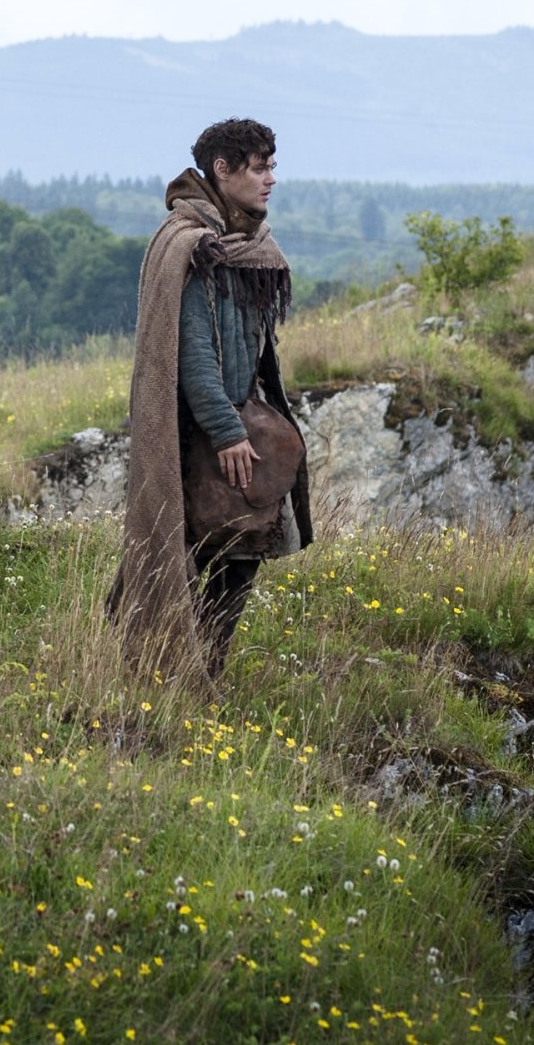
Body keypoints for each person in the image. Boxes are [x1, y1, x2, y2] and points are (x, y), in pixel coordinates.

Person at [109, 117, 310, 680]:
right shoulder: (193, 246)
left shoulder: (245, 243)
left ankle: (196, 673)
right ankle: (176, 672)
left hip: (234, 420)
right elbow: (193, 352)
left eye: (272, 165)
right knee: (208, 555)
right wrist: (227, 431)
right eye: (259, 167)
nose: (271, 178)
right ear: (222, 171)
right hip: (199, 432)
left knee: (236, 557)